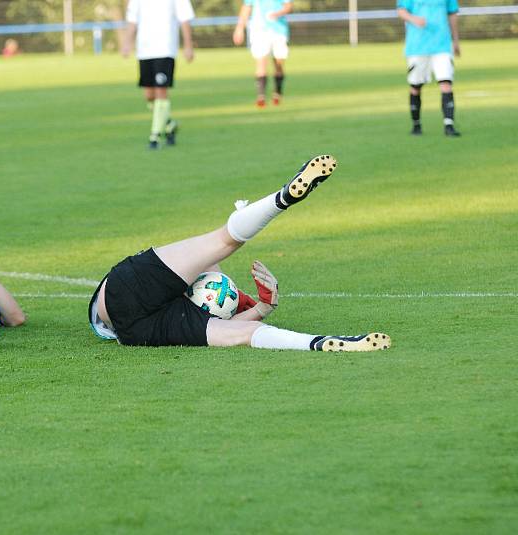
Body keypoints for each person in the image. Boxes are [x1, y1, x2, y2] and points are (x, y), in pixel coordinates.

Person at [88, 155, 391, 351]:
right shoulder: (193, 307)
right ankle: (313, 342)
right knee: (245, 322)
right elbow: (237, 326)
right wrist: (259, 307)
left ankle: (282, 198)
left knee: (224, 242)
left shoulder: (190, 292)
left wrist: (258, 306)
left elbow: (216, 261)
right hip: (145, 327)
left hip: (121, 306)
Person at [121, 0, 195, 150]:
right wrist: (127, 42)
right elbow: (132, 20)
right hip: (145, 51)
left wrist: (188, 45)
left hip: (165, 49)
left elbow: (184, 18)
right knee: (149, 95)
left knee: (161, 91)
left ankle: (155, 136)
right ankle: (169, 124)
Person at [397, 0, 461, 136]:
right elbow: (401, 11)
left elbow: (453, 15)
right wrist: (414, 19)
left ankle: (449, 125)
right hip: (417, 46)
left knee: (446, 83)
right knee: (415, 86)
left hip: (442, 45)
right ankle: (416, 125)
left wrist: (455, 41)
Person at [233, 0, 293, 108]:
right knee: (261, 62)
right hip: (259, 30)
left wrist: (277, 14)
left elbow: (288, 7)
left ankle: (277, 93)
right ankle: (261, 97)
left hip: (279, 30)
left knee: (278, 64)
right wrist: (239, 28)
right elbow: (246, 8)